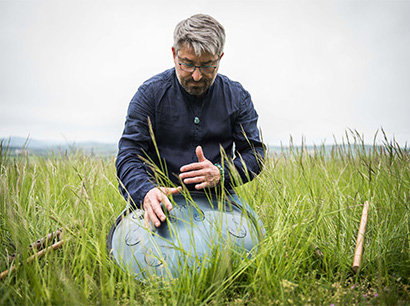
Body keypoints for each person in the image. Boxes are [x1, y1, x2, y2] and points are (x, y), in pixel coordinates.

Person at [116, 14, 265, 229]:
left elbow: (255, 155)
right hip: (161, 200)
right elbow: (128, 155)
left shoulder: (238, 97)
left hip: (220, 201)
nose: (196, 76)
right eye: (188, 64)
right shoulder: (149, 94)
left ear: (220, 58)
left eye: (207, 66)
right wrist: (146, 191)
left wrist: (221, 174)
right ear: (174, 54)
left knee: (255, 240)